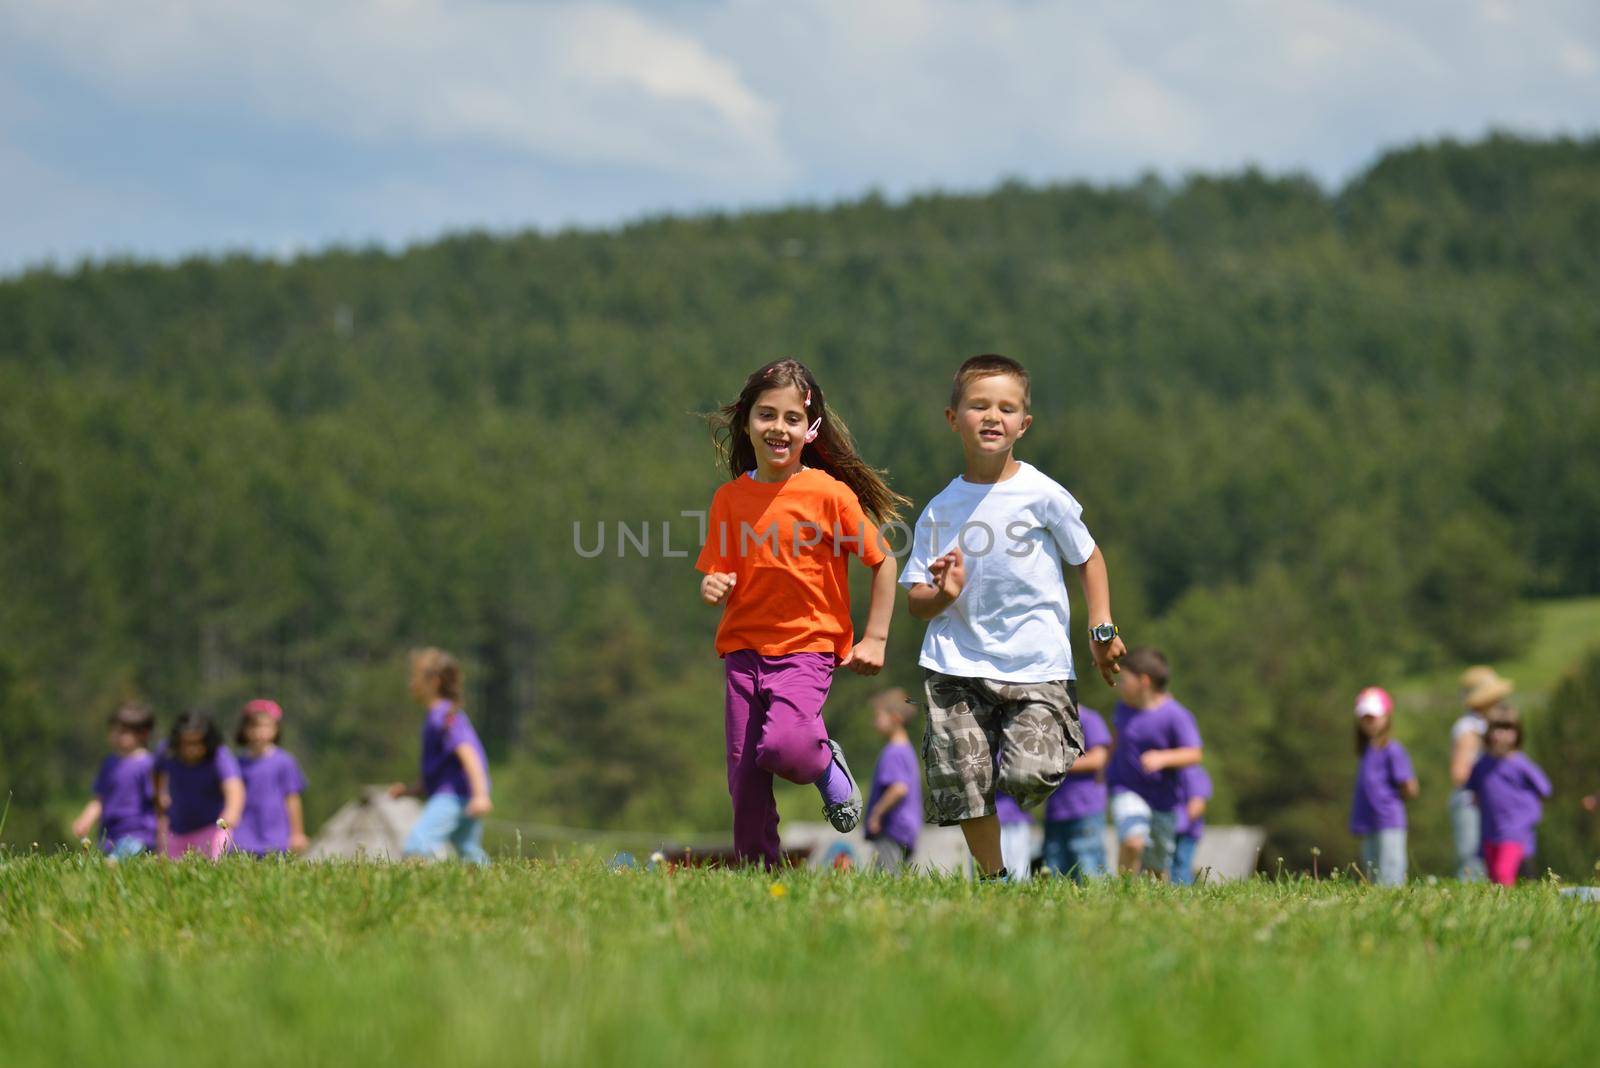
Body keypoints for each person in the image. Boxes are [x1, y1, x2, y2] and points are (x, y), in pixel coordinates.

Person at [901, 354, 1125, 881]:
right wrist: (942, 595)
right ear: (953, 417)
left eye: (1006, 408)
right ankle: (995, 879)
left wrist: (1102, 628)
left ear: (1024, 424)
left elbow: (1088, 557)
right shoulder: (940, 509)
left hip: (1037, 662)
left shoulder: (1042, 493)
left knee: (1030, 772)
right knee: (964, 783)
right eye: (978, 405)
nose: (992, 416)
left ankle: (1021, 760)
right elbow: (916, 596)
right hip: (956, 661)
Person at [696, 359, 905, 868]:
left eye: (791, 419)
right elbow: (717, 571)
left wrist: (875, 638)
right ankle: (757, 874)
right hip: (743, 651)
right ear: (746, 421)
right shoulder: (729, 498)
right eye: (767, 415)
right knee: (745, 776)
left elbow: (883, 561)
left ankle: (825, 763)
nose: (778, 429)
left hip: (807, 649)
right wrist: (713, 583)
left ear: (809, 429)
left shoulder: (829, 495)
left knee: (787, 747)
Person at [1106, 648, 1202, 879]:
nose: (1120, 685)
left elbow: (1194, 754)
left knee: (1156, 867)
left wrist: (1163, 757)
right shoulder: (1123, 709)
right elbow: (1117, 740)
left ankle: (1152, 903)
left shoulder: (1175, 715)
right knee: (1132, 842)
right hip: (1126, 789)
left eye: (1124, 679)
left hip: (1163, 799)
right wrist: (1105, 765)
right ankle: (1122, 890)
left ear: (1144, 681)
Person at [390, 648, 493, 864]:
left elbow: (469, 754)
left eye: (415, 677)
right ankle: (495, 883)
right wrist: (411, 791)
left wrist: (481, 795)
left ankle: (424, 891)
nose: (410, 683)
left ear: (434, 681)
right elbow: (440, 769)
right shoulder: (440, 716)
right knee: (468, 850)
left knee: (418, 845)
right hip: (462, 794)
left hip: (454, 796)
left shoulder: (444, 717)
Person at [1467, 705, 1553, 886]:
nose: (1502, 734)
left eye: (1508, 728)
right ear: (1489, 733)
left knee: (1502, 874)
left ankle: (1506, 905)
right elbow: (1473, 788)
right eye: (1497, 728)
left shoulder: (1520, 763)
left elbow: (1545, 789)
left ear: (1517, 733)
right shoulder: (1482, 764)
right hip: (1490, 830)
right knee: (1493, 876)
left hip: (1515, 830)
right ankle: (1501, 910)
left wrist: (1527, 807)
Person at [1349, 686, 1418, 886]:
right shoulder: (1366, 750)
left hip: (1388, 819)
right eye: (1365, 717)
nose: (1369, 722)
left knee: (1390, 870)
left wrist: (1389, 802)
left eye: (1374, 716)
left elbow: (1410, 786)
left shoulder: (1393, 749)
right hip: (1368, 821)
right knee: (1372, 872)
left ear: (1386, 717)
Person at [71, 703, 158, 859]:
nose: (115, 736)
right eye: (113, 731)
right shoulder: (110, 763)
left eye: (122, 732)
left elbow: (157, 801)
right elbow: (99, 798)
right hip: (110, 834)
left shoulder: (147, 765)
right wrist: (85, 819)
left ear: (143, 734)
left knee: (115, 864)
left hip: (138, 834)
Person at [156, 710, 244, 860]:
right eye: (186, 744)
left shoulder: (219, 756)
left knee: (212, 866)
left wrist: (231, 814)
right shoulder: (167, 751)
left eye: (197, 743)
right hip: (176, 829)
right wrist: (159, 794)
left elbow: (234, 787)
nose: (191, 749)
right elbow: (157, 773)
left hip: (211, 828)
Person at [1449, 666, 1508, 881]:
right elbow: (1459, 773)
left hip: (1484, 802)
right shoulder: (1469, 728)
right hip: (1470, 802)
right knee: (1472, 858)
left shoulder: (1483, 726)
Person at [1041, 704, 1111, 881]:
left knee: (1088, 868)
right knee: (1054, 871)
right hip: (1055, 811)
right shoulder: (1045, 719)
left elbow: (1098, 758)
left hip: (1085, 809)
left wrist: (1055, 765)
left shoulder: (1088, 718)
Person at [233, 699, 310, 856]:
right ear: (244, 729)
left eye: (266, 726)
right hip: (244, 829)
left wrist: (297, 833)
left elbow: (292, 798)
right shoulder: (237, 763)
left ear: (276, 729)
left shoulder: (284, 762)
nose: (259, 731)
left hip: (275, 830)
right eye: (254, 726)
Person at [863, 688, 921, 872]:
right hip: (906, 829)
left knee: (886, 876)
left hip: (892, 829)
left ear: (895, 718)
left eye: (878, 716)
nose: (874, 722)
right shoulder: (906, 749)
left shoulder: (894, 752)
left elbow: (899, 788)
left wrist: (877, 813)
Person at [1171, 763, 1213, 887]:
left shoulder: (1193, 772)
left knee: (1180, 865)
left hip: (1185, 831)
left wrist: (1180, 825)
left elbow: (1197, 804)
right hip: (1173, 828)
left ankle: (1183, 895)